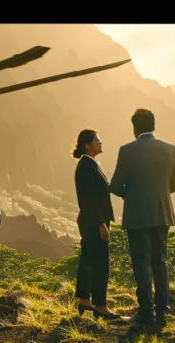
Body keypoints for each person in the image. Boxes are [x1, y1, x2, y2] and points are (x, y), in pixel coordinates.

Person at [108, 108, 175, 325]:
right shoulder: (170, 149)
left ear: (135, 128)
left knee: (141, 262)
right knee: (160, 261)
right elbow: (174, 185)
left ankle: (146, 311)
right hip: (162, 212)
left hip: (137, 215)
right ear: (153, 125)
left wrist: (132, 195)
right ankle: (163, 309)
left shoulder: (127, 150)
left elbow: (114, 185)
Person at [72, 128, 124, 321]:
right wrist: (102, 224)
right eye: (97, 140)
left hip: (90, 220)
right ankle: (101, 306)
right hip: (94, 221)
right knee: (101, 262)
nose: (101, 143)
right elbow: (89, 200)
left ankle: (84, 299)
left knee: (88, 259)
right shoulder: (87, 166)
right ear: (88, 144)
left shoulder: (90, 164)